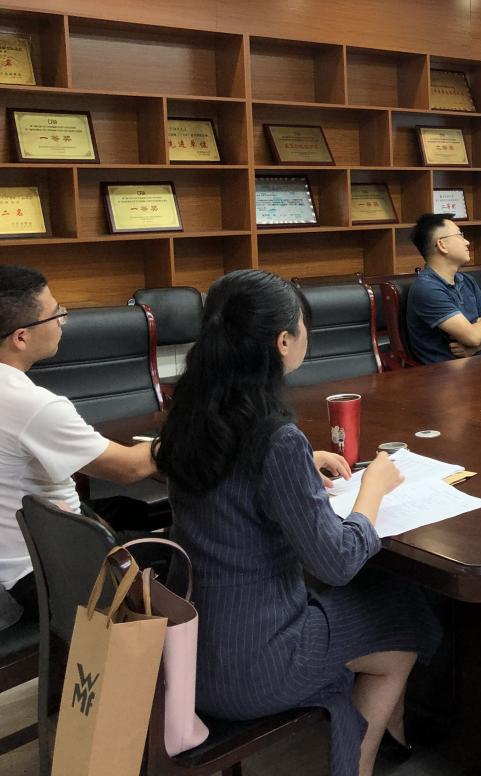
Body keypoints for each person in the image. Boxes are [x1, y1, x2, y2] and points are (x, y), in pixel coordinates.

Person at [155, 270, 439, 776]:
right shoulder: (274, 436)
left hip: (186, 653)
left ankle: (387, 737)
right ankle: (360, 764)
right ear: (284, 341)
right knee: (405, 616)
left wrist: (300, 464)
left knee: (388, 601)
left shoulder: (191, 413)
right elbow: (337, 563)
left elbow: (229, 481)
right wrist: (372, 490)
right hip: (256, 662)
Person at [0, 265, 156, 616]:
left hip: (14, 560)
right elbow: (129, 469)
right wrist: (172, 441)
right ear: (21, 337)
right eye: (56, 313)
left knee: (129, 515)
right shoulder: (33, 406)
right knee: (181, 551)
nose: (61, 320)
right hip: (41, 573)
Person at [406, 213, 481, 364]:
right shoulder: (427, 288)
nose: (467, 242)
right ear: (442, 245)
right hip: (447, 373)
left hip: (480, 364)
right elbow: (473, 337)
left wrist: (474, 349)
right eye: (460, 235)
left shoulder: (467, 280)